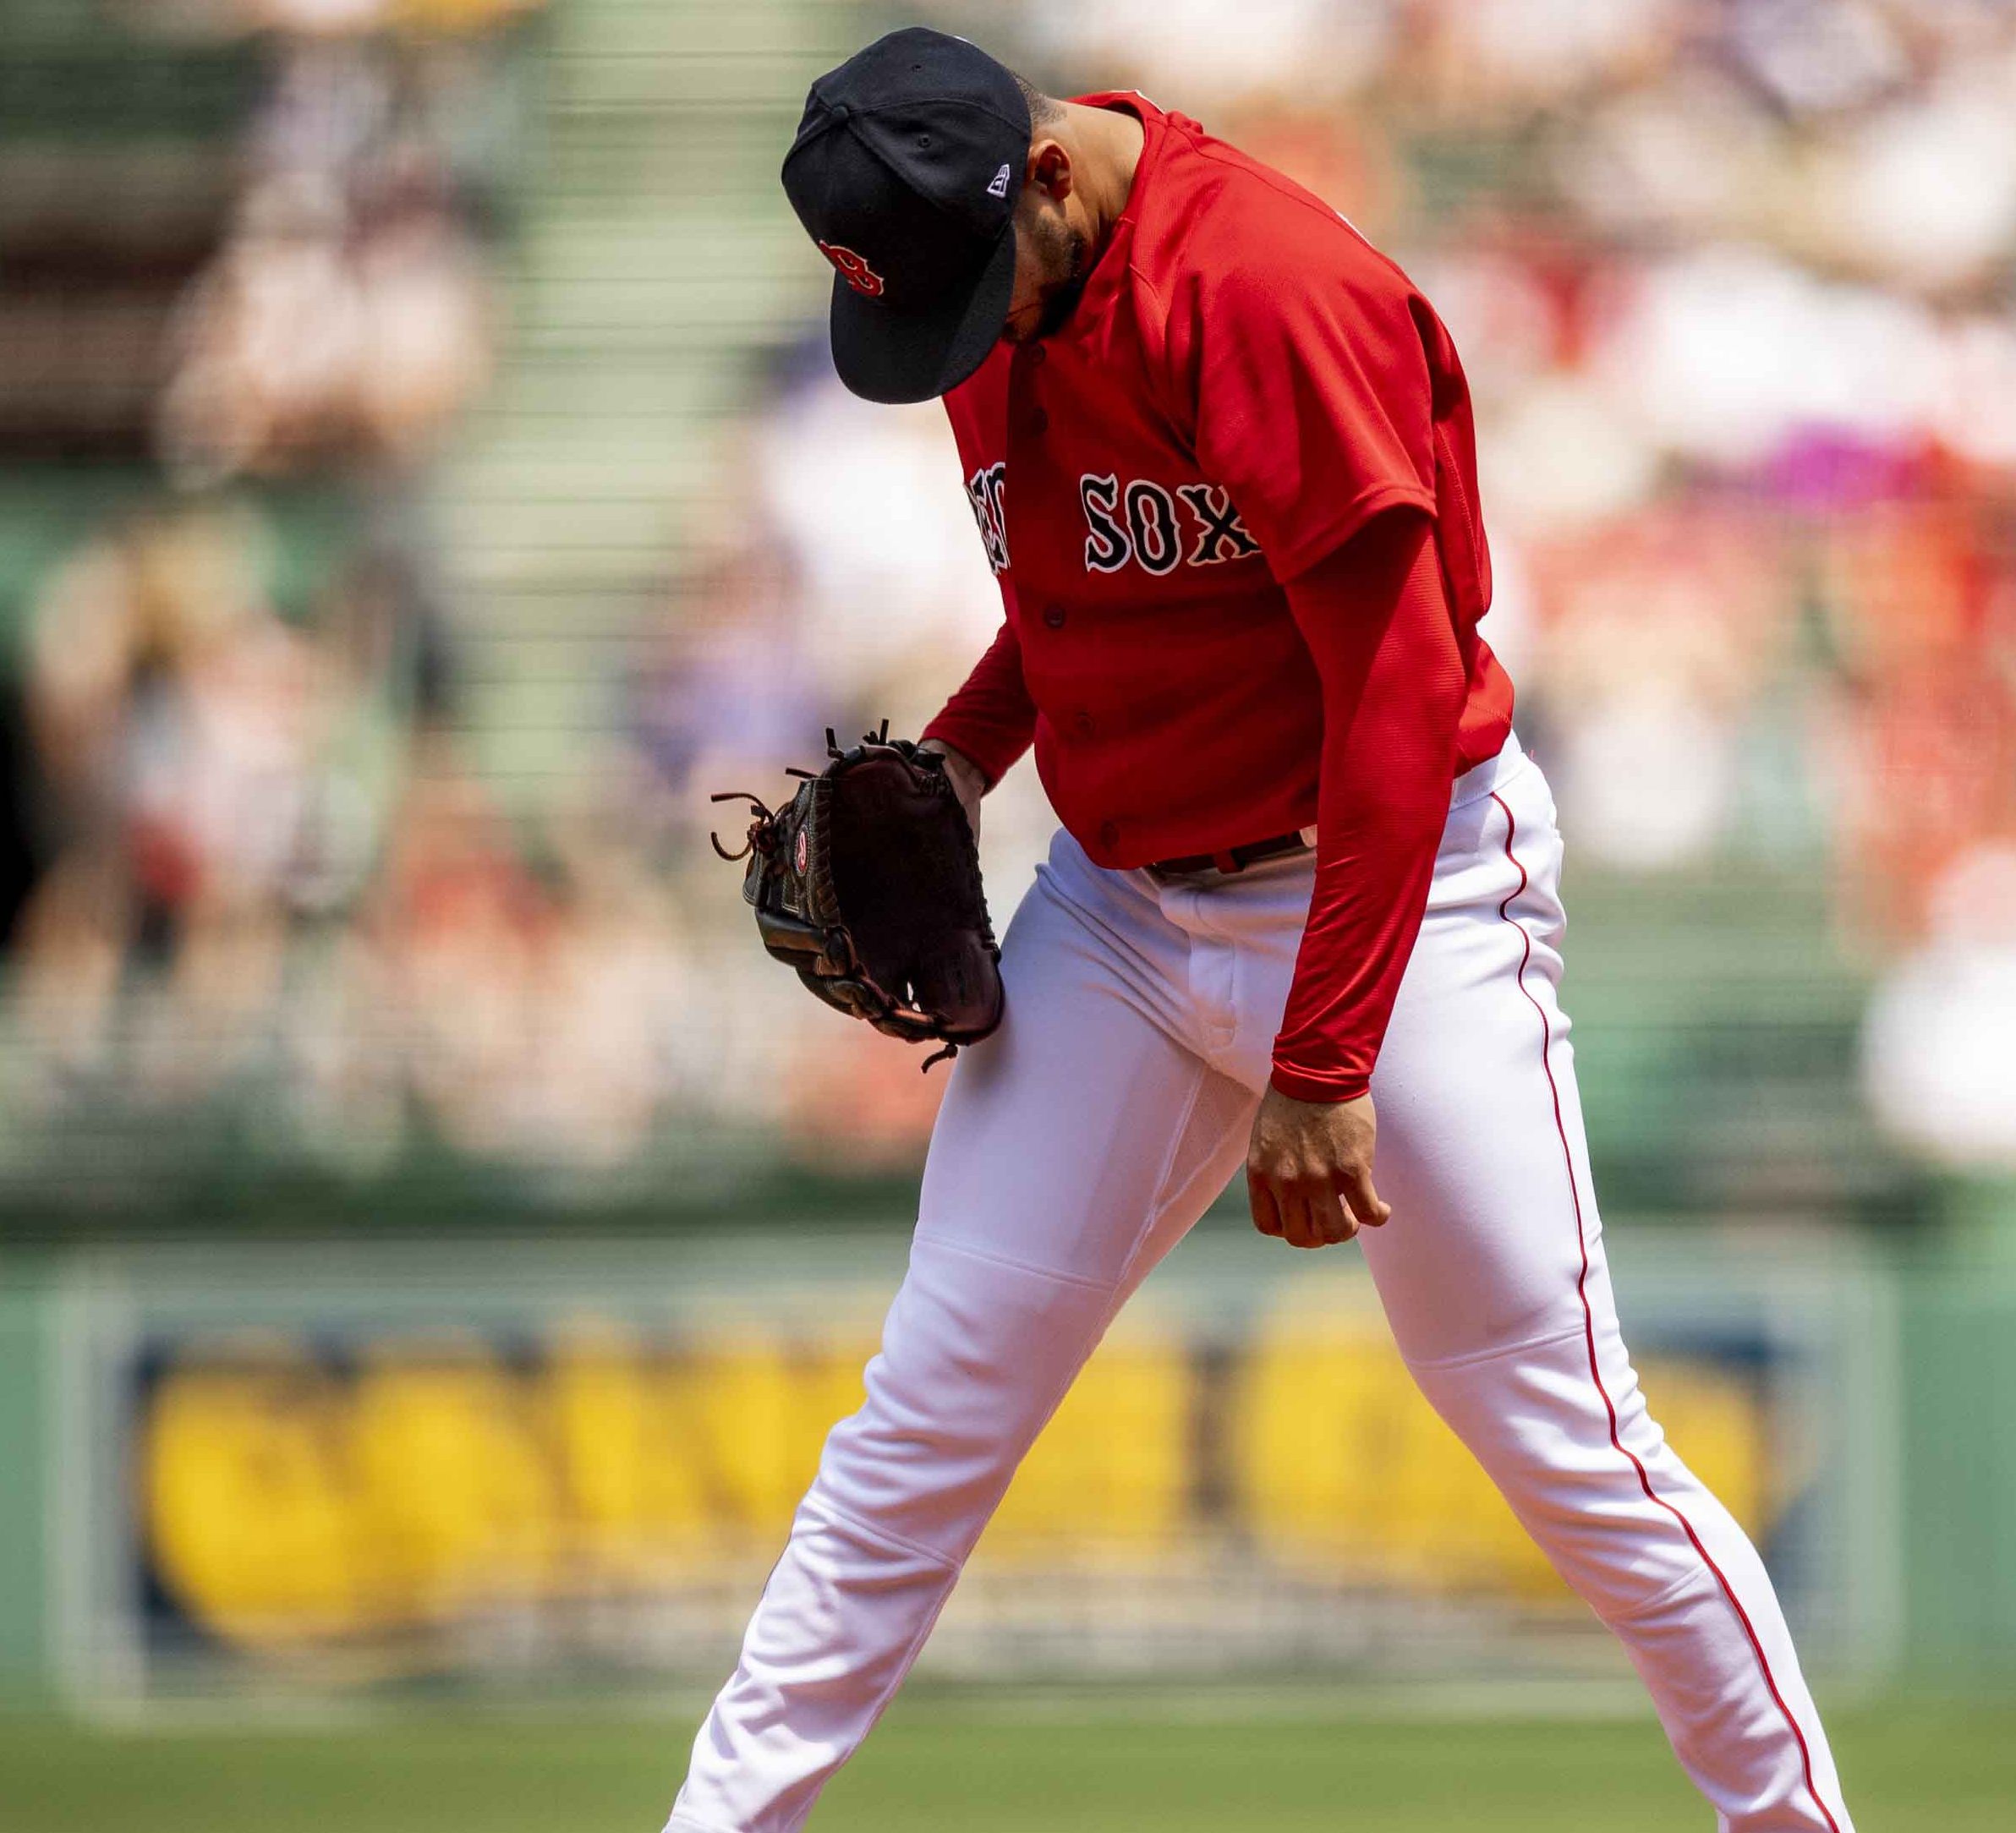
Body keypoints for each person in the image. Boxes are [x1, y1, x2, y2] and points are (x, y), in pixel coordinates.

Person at [663, 29, 1854, 1833]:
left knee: (1568, 1443)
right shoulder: (1006, 299)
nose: (967, 339)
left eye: (975, 291)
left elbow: (1393, 686)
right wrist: (964, 764)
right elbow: (1082, 608)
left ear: (1049, 171)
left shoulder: (1268, 288)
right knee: (919, 1425)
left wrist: (1324, 1056)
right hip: (1124, 914)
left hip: (1400, 889)